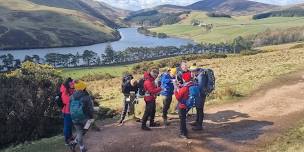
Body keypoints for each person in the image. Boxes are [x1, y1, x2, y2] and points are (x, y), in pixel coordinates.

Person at [70, 80, 94, 152]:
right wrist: (91, 117)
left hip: (74, 117)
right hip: (84, 118)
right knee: (86, 128)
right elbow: (90, 109)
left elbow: (70, 107)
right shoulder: (86, 97)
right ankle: (76, 143)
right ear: (83, 88)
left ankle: (80, 147)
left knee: (79, 131)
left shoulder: (72, 96)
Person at [174, 72, 193, 139]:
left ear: (185, 79)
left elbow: (178, 97)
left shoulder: (185, 88)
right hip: (188, 104)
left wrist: (175, 90)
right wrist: (180, 86)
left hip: (182, 106)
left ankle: (183, 133)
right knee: (184, 119)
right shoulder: (192, 84)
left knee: (182, 120)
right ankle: (185, 131)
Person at [189, 65, 208, 131]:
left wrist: (194, 83)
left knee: (200, 109)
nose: (191, 73)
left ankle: (199, 125)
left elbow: (200, 87)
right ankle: (197, 122)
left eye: (192, 72)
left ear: (195, 71)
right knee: (198, 108)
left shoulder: (201, 76)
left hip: (200, 95)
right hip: (199, 94)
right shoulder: (198, 75)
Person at [60, 78, 75, 146]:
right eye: (71, 83)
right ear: (68, 83)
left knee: (70, 125)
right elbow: (66, 101)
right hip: (67, 111)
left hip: (71, 110)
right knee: (67, 126)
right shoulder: (64, 91)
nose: (72, 84)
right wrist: (72, 97)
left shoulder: (69, 89)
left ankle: (71, 137)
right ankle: (66, 140)